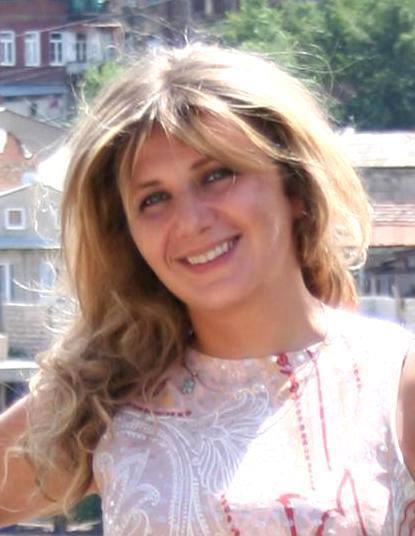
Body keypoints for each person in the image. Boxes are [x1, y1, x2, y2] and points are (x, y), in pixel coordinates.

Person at [1, 43, 415, 535]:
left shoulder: (392, 380)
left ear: (295, 187)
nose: (192, 221)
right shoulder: (104, 393)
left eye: (217, 175)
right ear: (127, 235)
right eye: (154, 199)